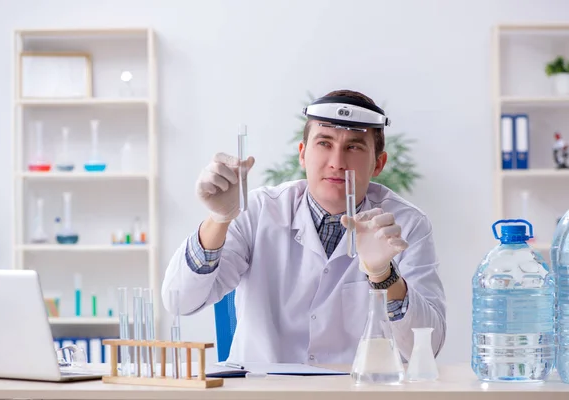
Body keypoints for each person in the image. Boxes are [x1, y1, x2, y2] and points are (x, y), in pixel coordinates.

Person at [162, 89, 446, 364]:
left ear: (378, 164)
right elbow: (179, 302)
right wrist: (219, 219)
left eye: (354, 147)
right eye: (324, 143)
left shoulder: (407, 224)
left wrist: (384, 275)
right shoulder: (258, 211)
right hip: (266, 390)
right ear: (302, 154)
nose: (337, 162)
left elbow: (427, 348)